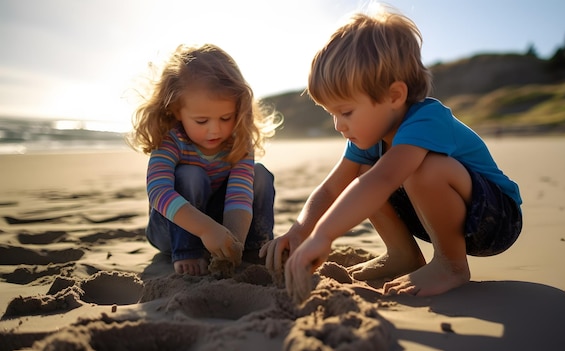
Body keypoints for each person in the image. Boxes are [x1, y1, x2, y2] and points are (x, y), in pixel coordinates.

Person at [260, 6, 522, 303]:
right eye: (332, 113)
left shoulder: (426, 119)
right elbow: (333, 187)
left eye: (345, 112)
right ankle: (403, 255)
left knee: (421, 168)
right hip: (440, 217)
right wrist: (300, 232)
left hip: (496, 218)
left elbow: (384, 179)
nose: (338, 125)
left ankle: (451, 265)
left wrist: (324, 236)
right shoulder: (370, 136)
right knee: (361, 173)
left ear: (394, 96)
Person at [127, 44, 281, 275]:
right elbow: (158, 192)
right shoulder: (170, 141)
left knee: (259, 174)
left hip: (218, 226)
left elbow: (239, 194)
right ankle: (187, 251)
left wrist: (232, 242)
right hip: (170, 229)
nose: (214, 130)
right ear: (176, 110)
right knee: (191, 174)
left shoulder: (238, 142)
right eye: (201, 121)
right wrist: (206, 229)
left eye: (226, 118)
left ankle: (253, 247)